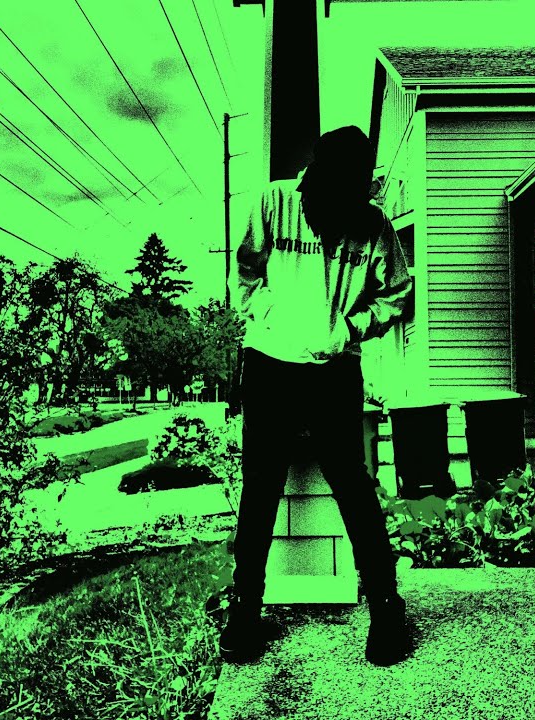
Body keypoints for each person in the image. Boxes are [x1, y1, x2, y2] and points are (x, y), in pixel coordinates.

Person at [220, 126, 415, 666]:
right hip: (269, 365)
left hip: (335, 370)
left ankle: (386, 606)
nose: (326, 210)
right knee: (261, 486)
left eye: (342, 201)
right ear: (310, 180)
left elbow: (397, 293)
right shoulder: (274, 202)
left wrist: (351, 328)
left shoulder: (374, 226)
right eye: (321, 196)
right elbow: (244, 275)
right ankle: (245, 609)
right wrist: (271, 318)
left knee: (352, 483)